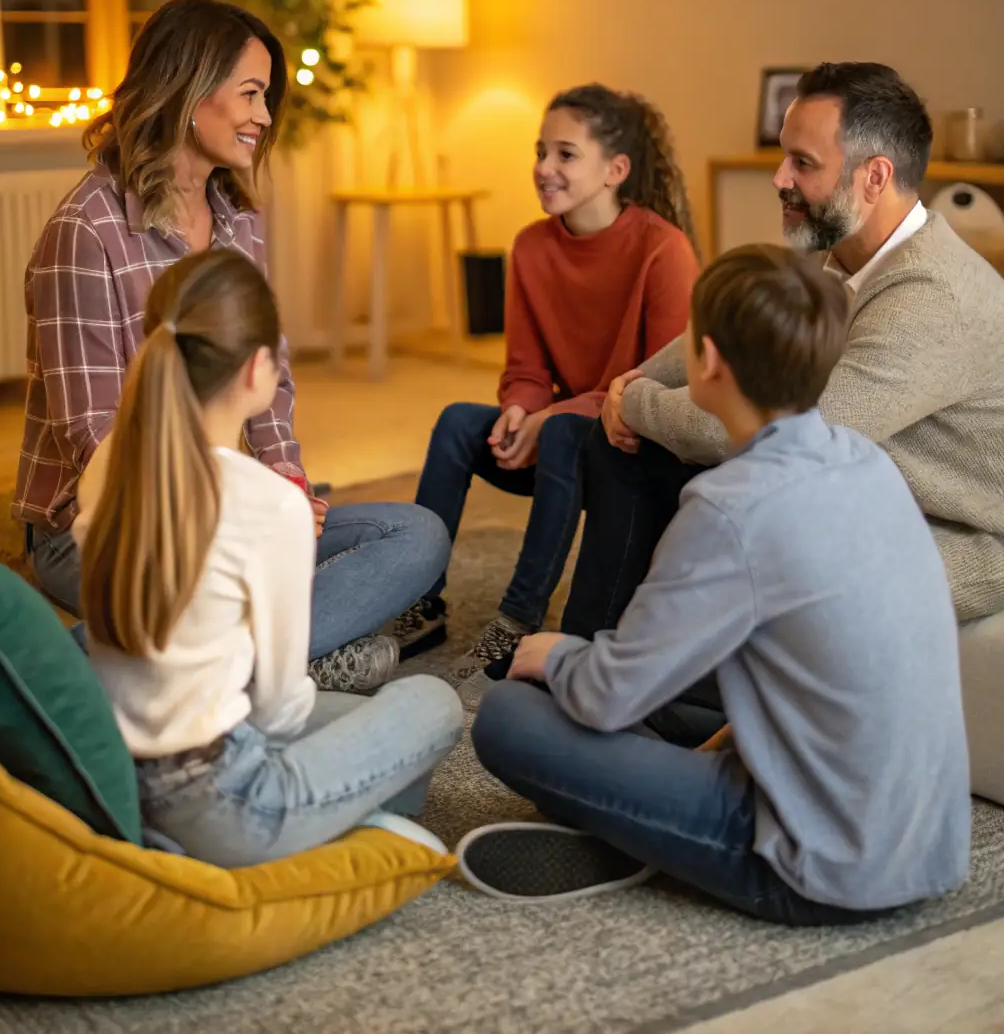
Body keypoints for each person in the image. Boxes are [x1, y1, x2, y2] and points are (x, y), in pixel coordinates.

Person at [460, 245, 971, 918]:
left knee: (508, 713)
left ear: (707, 361)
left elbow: (607, 695)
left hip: (813, 867)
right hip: (929, 847)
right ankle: (650, 819)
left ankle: (649, 835)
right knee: (680, 703)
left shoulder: (731, 505)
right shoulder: (867, 462)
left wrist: (555, 653)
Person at [13, 0, 449, 692]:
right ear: (190, 91)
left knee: (415, 535)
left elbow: (269, 383)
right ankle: (277, 660)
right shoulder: (85, 230)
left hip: (227, 501)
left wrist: (286, 482)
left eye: (266, 97)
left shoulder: (238, 221)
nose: (265, 118)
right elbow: (91, 434)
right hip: (109, 524)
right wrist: (232, 509)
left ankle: (231, 664)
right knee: (228, 570)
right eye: (251, 93)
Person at [562, 61, 1004, 645]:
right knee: (630, 446)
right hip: (866, 487)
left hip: (958, 534)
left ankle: (631, 675)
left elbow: (777, 440)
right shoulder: (842, 256)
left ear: (874, 178)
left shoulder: (930, 297)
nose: (779, 178)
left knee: (723, 485)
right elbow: (725, 328)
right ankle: (606, 652)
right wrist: (631, 382)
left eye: (803, 163)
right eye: (784, 156)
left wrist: (636, 403)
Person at [75, 247, 463, 867]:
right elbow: (278, 713)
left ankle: (350, 809)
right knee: (431, 705)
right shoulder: (267, 504)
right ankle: (350, 830)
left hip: (110, 776)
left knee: (354, 713)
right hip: (226, 807)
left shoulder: (107, 464)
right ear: (259, 368)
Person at [397, 84, 700, 700]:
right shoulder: (532, 247)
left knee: (562, 432)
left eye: (564, 154)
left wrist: (551, 416)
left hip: (625, 446)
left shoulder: (663, 250)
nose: (543, 168)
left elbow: (661, 380)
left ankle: (518, 619)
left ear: (615, 170)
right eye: (541, 151)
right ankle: (417, 604)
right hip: (559, 439)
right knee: (461, 420)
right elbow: (526, 367)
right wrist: (518, 409)